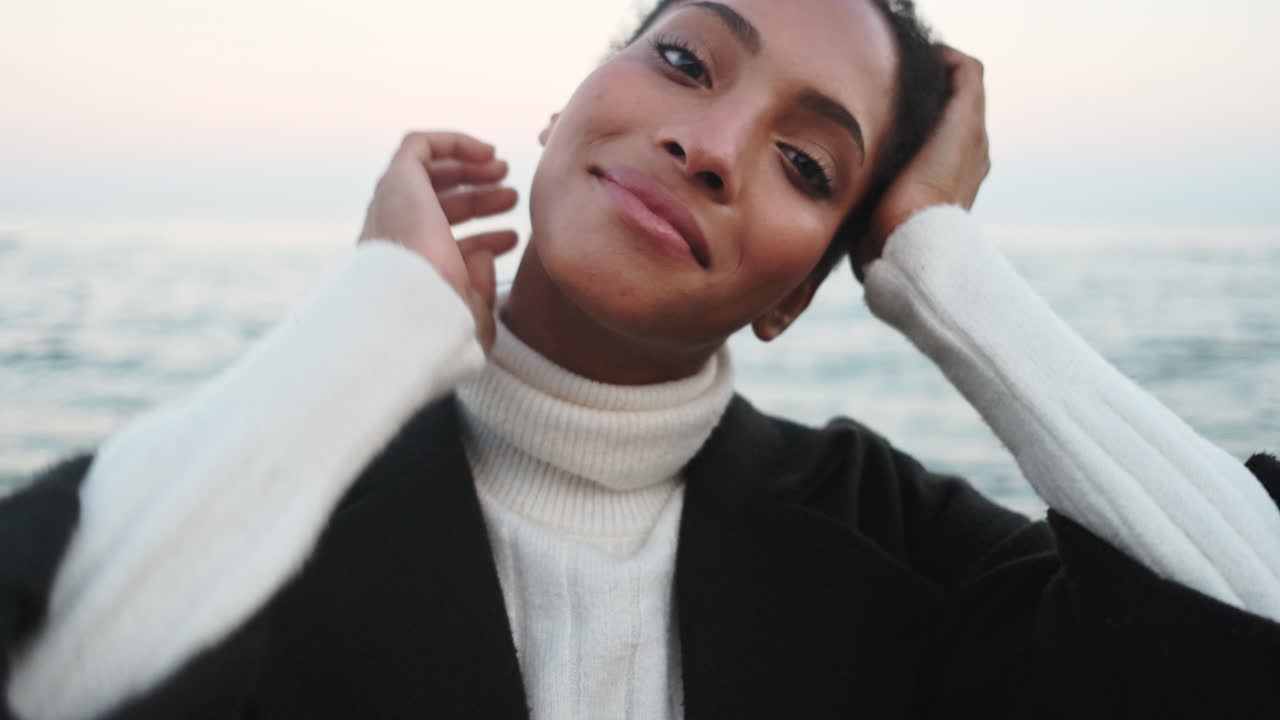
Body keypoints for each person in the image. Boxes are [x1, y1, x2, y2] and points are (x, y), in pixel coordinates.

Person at [4, 0, 1280, 718]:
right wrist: (381, 314)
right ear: (564, 116)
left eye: (806, 165)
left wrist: (944, 273)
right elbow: (45, 666)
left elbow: (1250, 639)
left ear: (799, 291)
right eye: (682, 60)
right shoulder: (264, 487)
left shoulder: (886, 546)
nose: (712, 142)